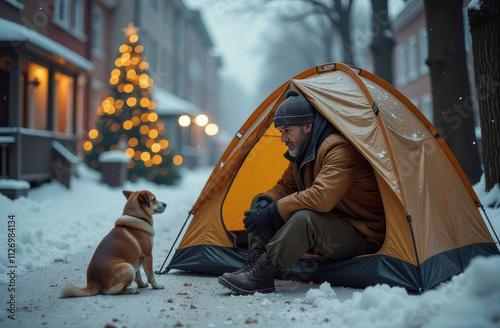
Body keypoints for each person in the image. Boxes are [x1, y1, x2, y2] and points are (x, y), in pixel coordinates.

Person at [218, 89, 386, 295]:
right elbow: (286, 186)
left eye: (287, 130)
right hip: (331, 225)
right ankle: (254, 268)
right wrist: (266, 202)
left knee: (303, 219)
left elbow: (321, 197)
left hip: (362, 233)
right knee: (260, 201)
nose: (283, 138)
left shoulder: (340, 149)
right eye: (281, 131)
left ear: (308, 126)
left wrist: (273, 210)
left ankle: (262, 272)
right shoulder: (303, 149)